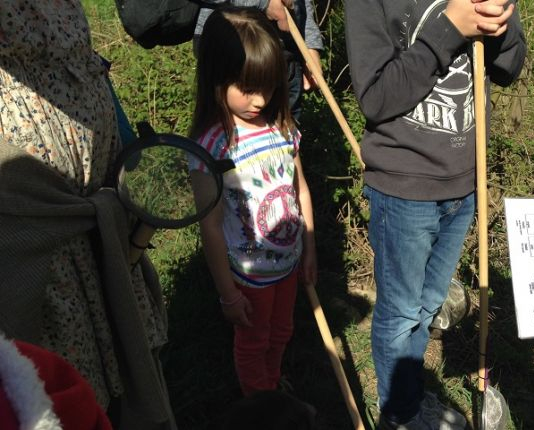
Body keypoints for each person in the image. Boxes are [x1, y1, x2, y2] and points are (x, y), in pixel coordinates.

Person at [345, 0, 526, 427]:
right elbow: (375, 97)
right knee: (402, 311)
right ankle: (399, 415)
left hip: (465, 181)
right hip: (405, 185)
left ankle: (408, 398)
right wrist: (448, 29)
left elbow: (509, 66)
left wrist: (499, 30)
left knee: (428, 306)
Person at [0, 2, 174, 429]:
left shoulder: (65, 16)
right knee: (59, 395)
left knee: (124, 383)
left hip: (104, 240)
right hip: (40, 263)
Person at [190, 7, 317, 396]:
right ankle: (262, 407)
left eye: (268, 86)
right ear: (217, 77)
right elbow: (209, 224)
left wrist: (309, 248)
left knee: (282, 332)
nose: (260, 100)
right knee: (252, 342)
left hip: (288, 263)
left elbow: (301, 190)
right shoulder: (212, 147)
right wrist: (228, 292)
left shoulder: (281, 127)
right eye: (247, 88)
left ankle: (272, 384)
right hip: (249, 276)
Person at [194, 0, 324, 120]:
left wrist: (310, 44)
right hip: (234, 49)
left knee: (284, 134)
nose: (260, 101)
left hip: (286, 53)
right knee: (226, 137)